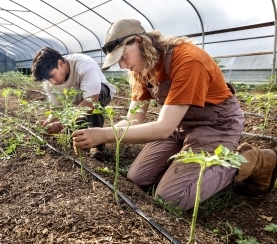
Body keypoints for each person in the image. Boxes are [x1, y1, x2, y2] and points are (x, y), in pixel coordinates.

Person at [72, 19, 277, 211]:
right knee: (137, 179)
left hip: (215, 125)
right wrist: (95, 133)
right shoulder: (141, 69)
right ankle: (188, 168)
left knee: (172, 198)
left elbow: (163, 128)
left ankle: (253, 159)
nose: (123, 65)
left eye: (123, 57)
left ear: (139, 42)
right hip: (180, 125)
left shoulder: (188, 60)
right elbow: (134, 119)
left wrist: (105, 135)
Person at [31, 47, 116, 160]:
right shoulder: (49, 83)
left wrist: (61, 124)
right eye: (47, 79)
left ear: (60, 63)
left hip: (98, 94)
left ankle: (97, 145)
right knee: (73, 129)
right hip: (75, 103)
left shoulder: (84, 64)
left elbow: (91, 102)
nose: (52, 82)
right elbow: (57, 109)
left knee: (93, 101)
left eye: (52, 76)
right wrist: (48, 123)